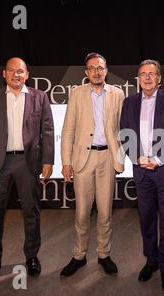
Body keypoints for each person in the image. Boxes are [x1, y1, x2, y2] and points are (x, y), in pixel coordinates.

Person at [0, 57, 54, 285]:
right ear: (4, 74)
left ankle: (32, 257)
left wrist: (48, 161)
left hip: (28, 163)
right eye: (12, 71)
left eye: (21, 71)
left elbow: (47, 131)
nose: (16, 75)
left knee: (31, 212)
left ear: (27, 74)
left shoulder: (40, 97)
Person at [119, 59, 164, 292]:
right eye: (143, 74)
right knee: (146, 219)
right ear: (138, 78)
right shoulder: (130, 102)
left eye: (152, 74)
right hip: (141, 171)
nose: (147, 77)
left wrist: (157, 159)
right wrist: (137, 158)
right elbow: (125, 133)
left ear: (159, 78)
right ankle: (151, 260)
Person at [60, 52, 125, 277]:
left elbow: (123, 128)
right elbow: (68, 130)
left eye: (100, 68)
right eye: (92, 68)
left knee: (105, 212)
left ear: (106, 70)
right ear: (86, 72)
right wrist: (66, 162)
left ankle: (104, 255)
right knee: (82, 213)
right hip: (83, 161)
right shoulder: (76, 94)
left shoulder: (118, 93)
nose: (97, 72)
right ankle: (78, 256)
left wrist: (122, 154)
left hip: (108, 158)